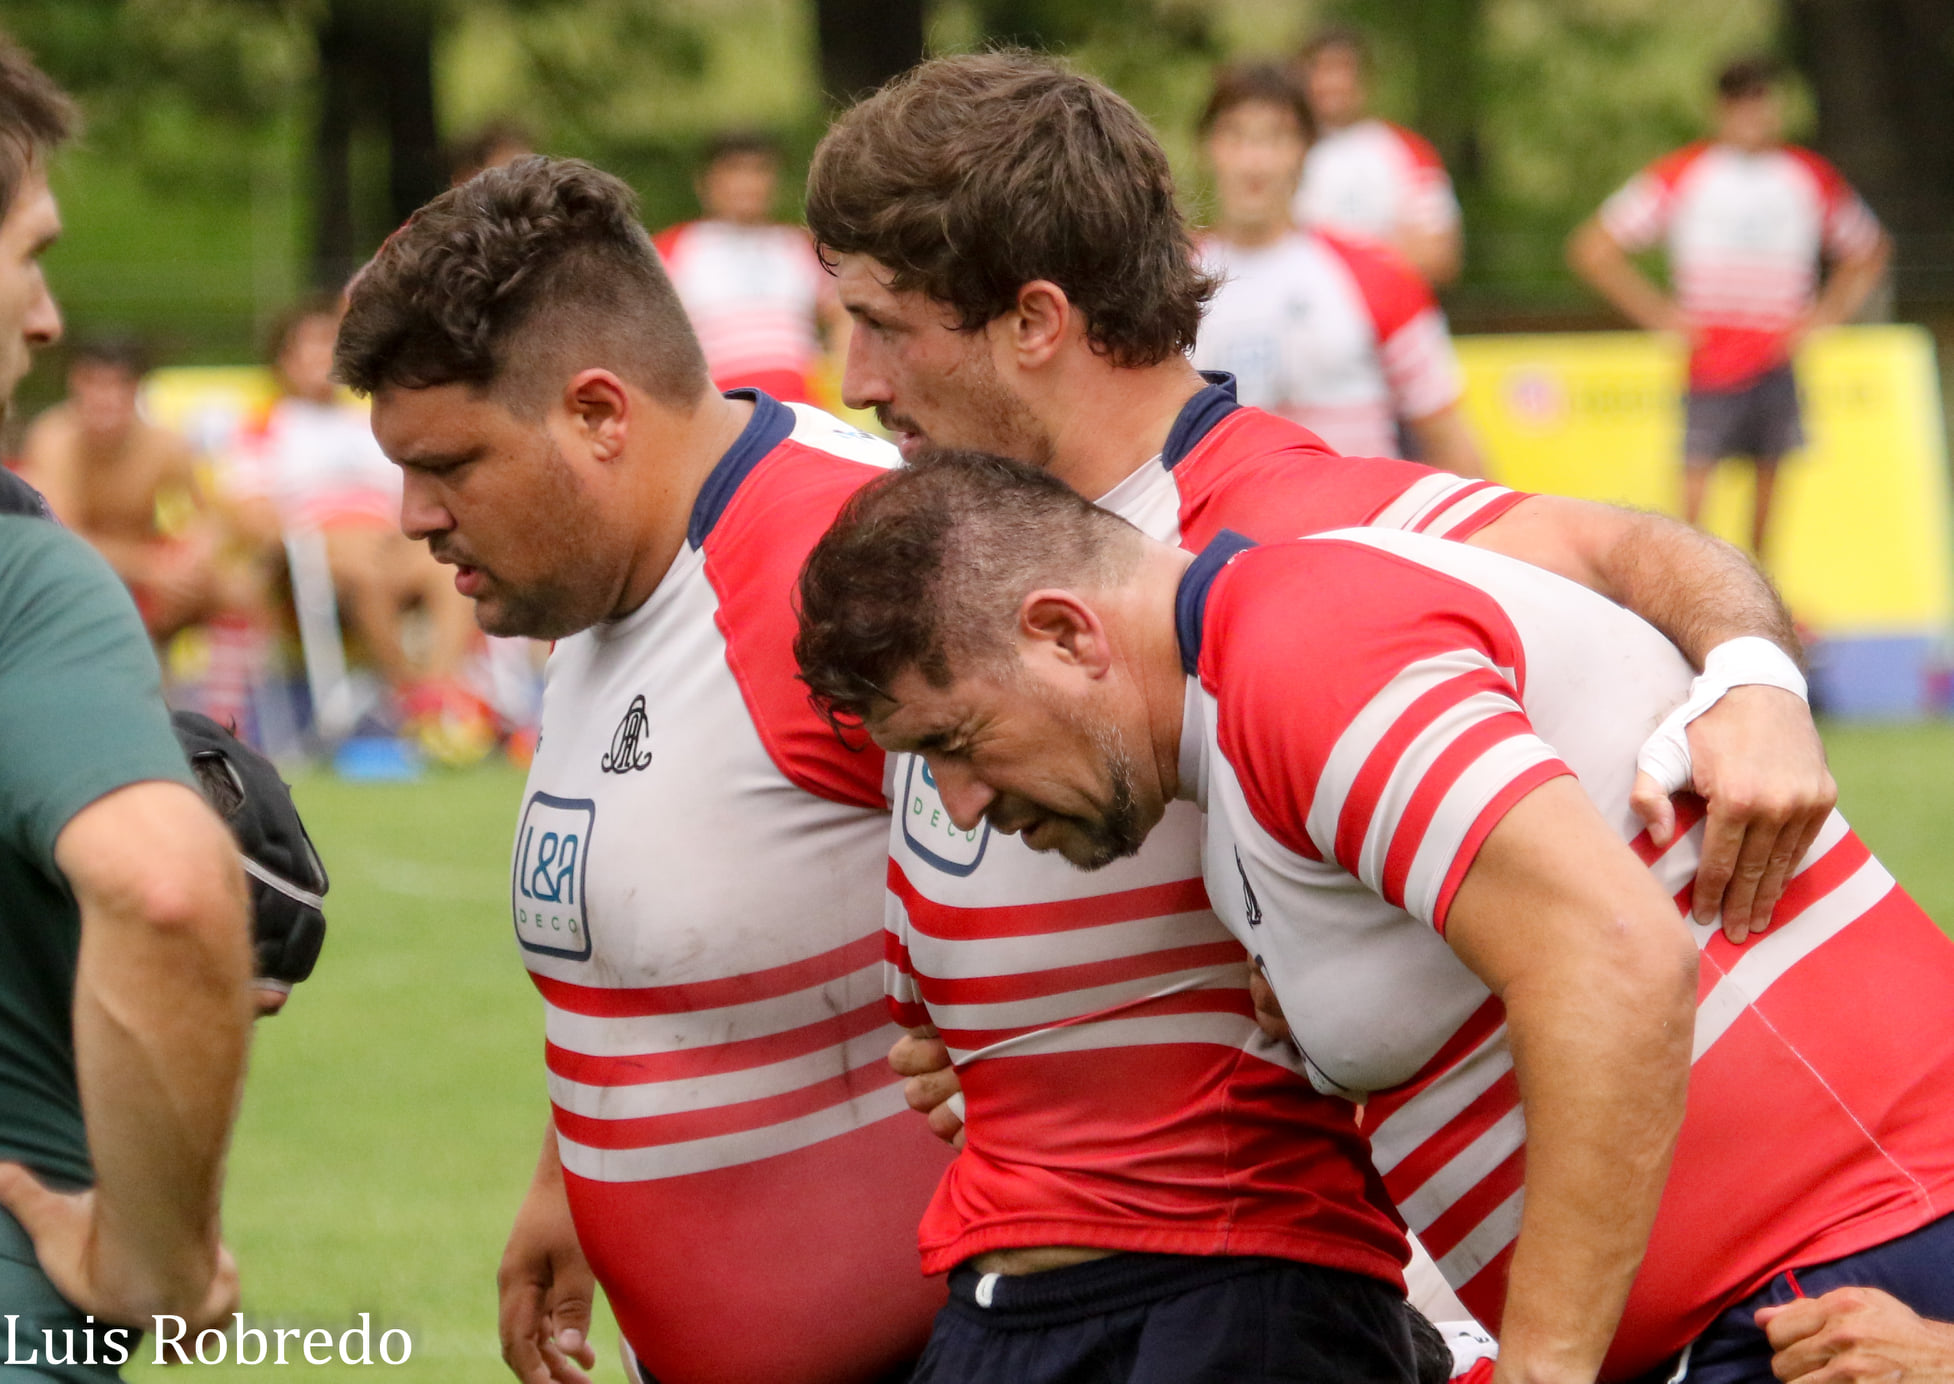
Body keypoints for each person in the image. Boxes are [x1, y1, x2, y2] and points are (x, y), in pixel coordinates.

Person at [801, 48, 1834, 1375]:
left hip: (1242, 1299)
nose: (854, 374)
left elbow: (1640, 551)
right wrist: (1007, 1048)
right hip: (1011, 1281)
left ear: (1034, 321)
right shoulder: (958, 548)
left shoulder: (1292, 523)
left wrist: (1752, 677)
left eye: (884, 320)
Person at [791, 449, 1954, 1384]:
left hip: (1854, 1280)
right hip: (1794, 1294)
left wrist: (1543, 1370)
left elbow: (1616, 961)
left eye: (952, 742)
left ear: (1064, 633)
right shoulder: (1245, 725)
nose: (961, 803)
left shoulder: (1296, 647)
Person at [333, 155, 952, 1384]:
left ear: (600, 415)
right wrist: (571, 1174)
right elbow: (662, 954)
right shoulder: (602, 585)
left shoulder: (855, 574)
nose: (410, 516)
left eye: (448, 466)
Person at [0, 35, 256, 1381]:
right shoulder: (22, 574)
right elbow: (168, 894)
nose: (46, 319)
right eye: (30, 251)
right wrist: (149, 1264)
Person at [1567, 55, 1890, 557]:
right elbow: (1595, 248)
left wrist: (1824, 317)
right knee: (1695, 495)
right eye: (1740, 102)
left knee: (1769, 496)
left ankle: (1757, 604)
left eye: (1760, 99)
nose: (1751, 114)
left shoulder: (1807, 176)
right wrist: (1659, 316)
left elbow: (1867, 250)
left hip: (1776, 354)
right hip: (1711, 356)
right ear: (1720, 109)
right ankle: (1686, 597)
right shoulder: (1685, 173)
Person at [1193, 61, 1485, 474]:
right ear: (1207, 146)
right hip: (1217, 538)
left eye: (1275, 137)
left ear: (1306, 149)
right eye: (1236, 135)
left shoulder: (1378, 274)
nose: (1253, 161)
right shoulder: (1165, 283)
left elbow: (1453, 443)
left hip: (1355, 533)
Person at [232, 293, 482, 722]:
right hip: (317, 562)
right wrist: (327, 542)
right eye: (306, 348)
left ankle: (439, 696)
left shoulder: (369, 419)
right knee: (366, 575)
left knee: (449, 572)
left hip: (391, 542)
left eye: (328, 346)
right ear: (283, 360)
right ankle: (410, 699)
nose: (320, 360)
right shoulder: (265, 425)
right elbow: (252, 515)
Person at [15, 336, 270, 725]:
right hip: (77, 584)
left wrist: (193, 556)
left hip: (154, 582)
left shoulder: (164, 444)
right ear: (75, 387)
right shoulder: (54, 441)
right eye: (93, 385)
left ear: (135, 390)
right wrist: (152, 568)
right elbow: (62, 537)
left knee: (236, 588)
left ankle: (225, 723)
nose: (105, 400)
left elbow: (216, 516)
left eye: (116, 385)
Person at [653, 130, 847, 405]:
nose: (747, 184)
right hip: (721, 413)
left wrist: (840, 382)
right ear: (706, 181)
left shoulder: (800, 247)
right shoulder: (673, 250)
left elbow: (845, 314)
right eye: (734, 171)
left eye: (759, 171)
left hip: (803, 412)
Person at [1290, 27, 1463, 287]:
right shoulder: (1279, 155)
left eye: (1343, 69)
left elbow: (1438, 258)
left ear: (1366, 80)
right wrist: (1387, 245)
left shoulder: (1407, 150)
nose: (1332, 82)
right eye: (1319, 69)